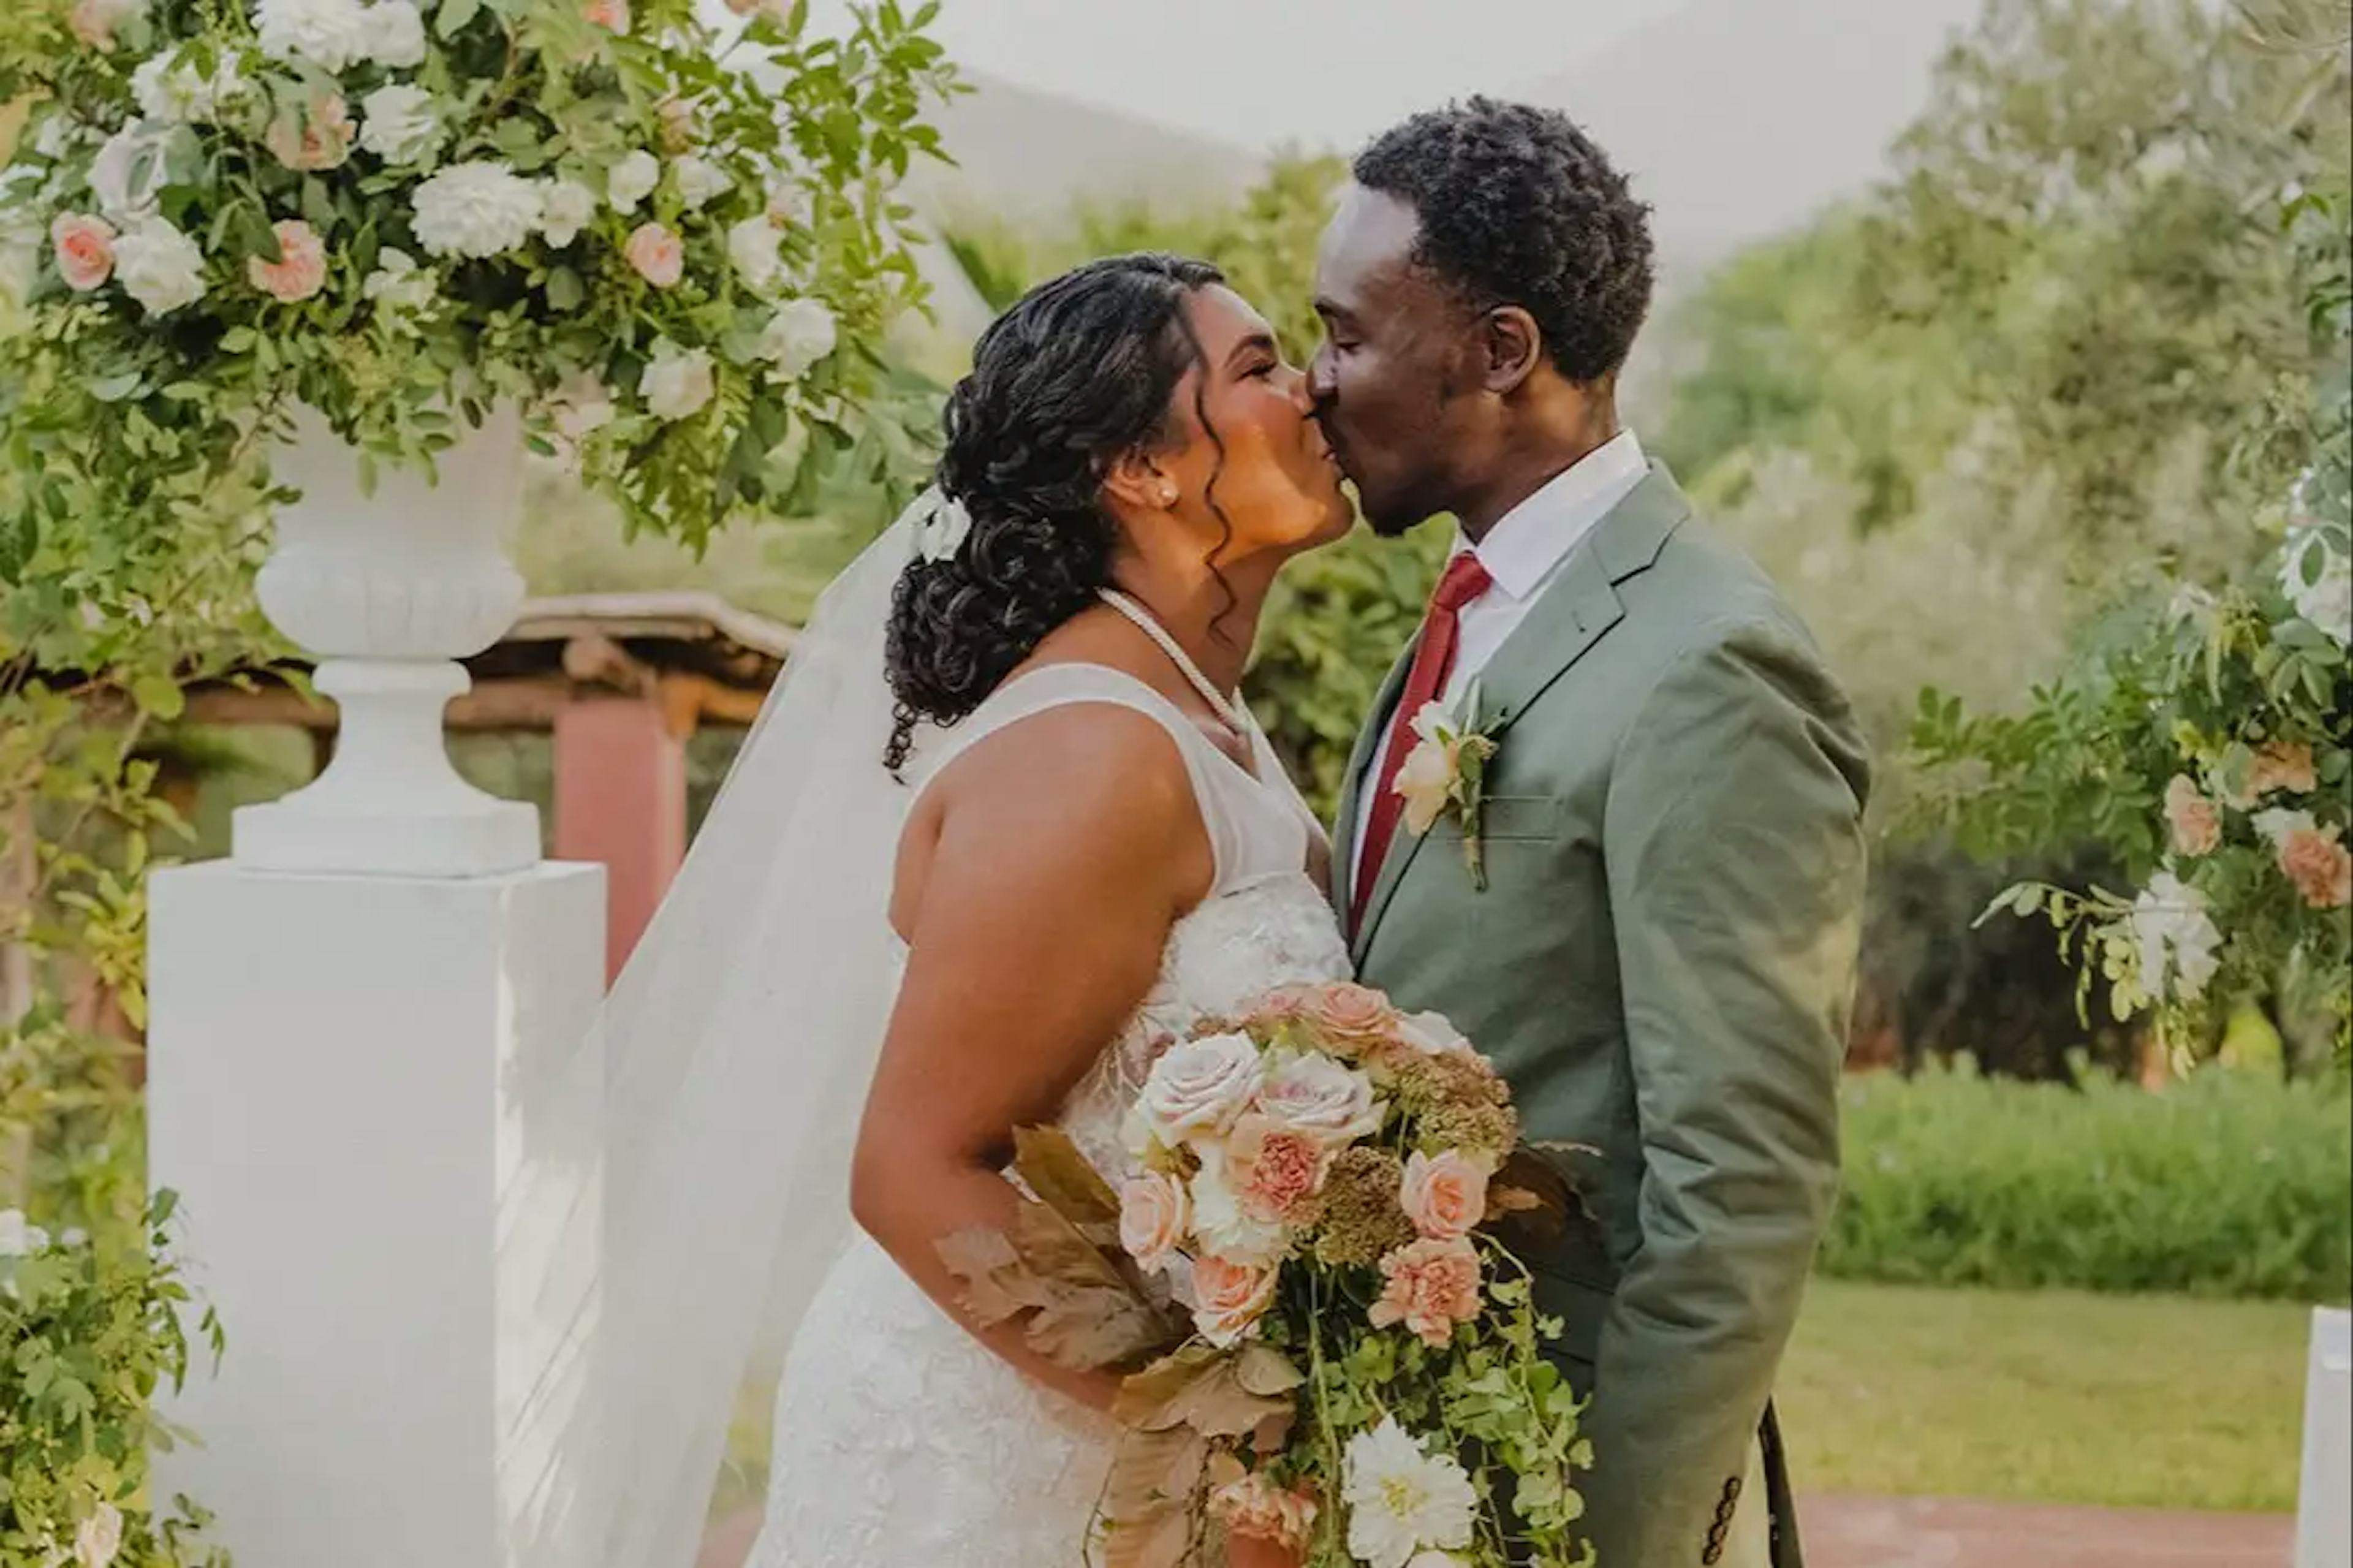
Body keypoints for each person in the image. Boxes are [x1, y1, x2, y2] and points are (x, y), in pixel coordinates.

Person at [1316, 99, 1872, 1568]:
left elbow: (1739, 1187)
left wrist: (1610, 1540)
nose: (1314, 387)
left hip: (1549, 1483)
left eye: (1348, 337)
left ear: (1501, 352)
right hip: (1397, 1455)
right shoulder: (1475, 614)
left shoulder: (1709, 666)